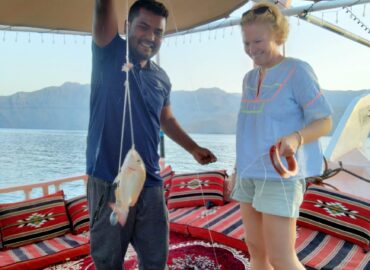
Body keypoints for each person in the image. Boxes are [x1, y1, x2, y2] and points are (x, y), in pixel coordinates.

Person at [86, 1, 217, 269]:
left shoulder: (162, 78)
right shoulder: (108, 56)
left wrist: (193, 148)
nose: (151, 36)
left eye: (159, 32)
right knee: (108, 261)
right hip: (111, 183)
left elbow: (166, 119)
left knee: (156, 258)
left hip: (150, 184)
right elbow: (102, 8)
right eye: (143, 27)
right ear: (127, 27)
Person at [231, 2, 333, 270]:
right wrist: (236, 169)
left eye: (258, 41)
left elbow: (324, 121)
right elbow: (247, 130)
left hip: (279, 178)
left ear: (278, 36)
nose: (252, 49)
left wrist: (296, 138)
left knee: (282, 259)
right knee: (257, 255)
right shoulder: (249, 78)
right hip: (248, 175)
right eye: (246, 43)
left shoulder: (297, 71)